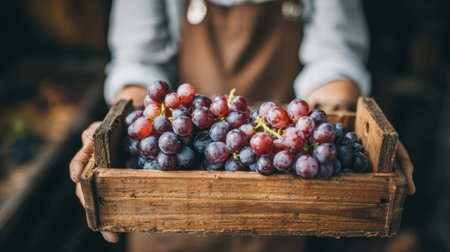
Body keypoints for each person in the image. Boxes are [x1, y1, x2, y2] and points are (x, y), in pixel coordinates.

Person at [70, 0, 416, 248]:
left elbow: (334, 54)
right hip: (175, 182)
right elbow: (138, 61)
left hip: (282, 190)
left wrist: (341, 119)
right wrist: (121, 126)